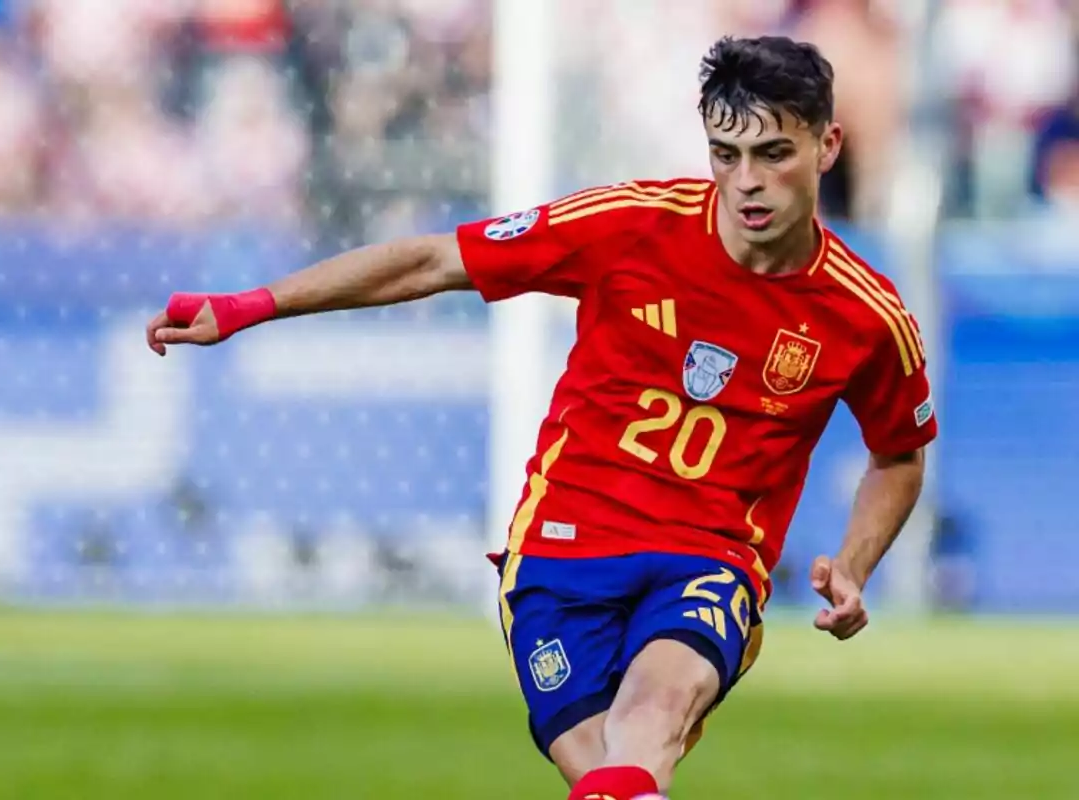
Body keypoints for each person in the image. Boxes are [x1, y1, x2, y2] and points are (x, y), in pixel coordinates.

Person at [146, 35, 937, 800]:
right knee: (611, 781)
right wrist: (251, 304)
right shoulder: (630, 225)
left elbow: (899, 453)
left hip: (709, 558)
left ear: (827, 145)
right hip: (563, 550)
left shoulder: (867, 315)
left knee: (654, 719)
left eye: (774, 154)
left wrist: (857, 563)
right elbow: (434, 261)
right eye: (726, 155)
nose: (747, 183)